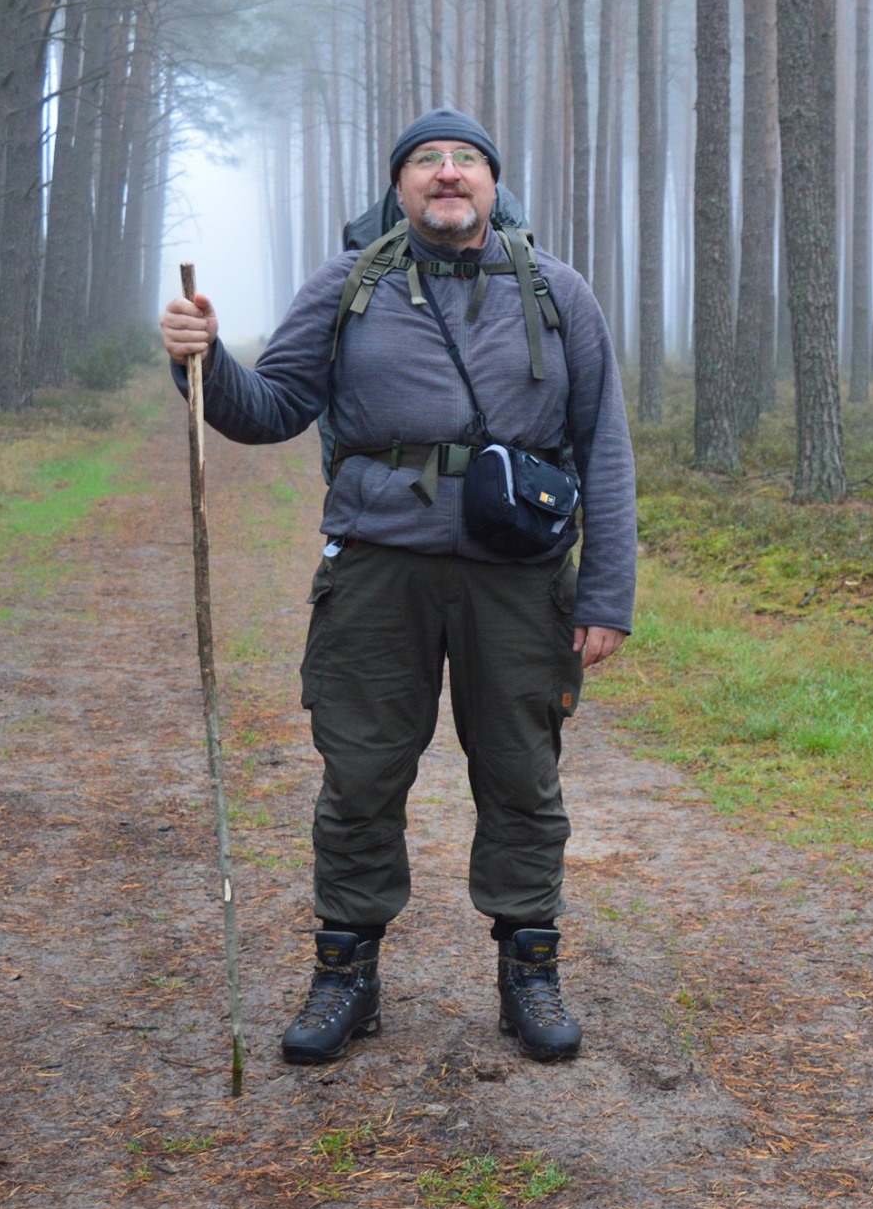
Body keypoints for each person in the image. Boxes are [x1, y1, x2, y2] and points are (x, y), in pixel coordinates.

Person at [159, 108, 636, 1065]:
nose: (448, 174)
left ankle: (529, 969)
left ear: (494, 185)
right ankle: (345, 973)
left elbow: (604, 450)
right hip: (377, 569)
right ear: (400, 186)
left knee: (522, 777)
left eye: (466, 161)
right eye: (428, 161)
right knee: (362, 774)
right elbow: (272, 409)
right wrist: (198, 362)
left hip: (519, 576)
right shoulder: (349, 287)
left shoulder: (558, 292)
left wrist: (604, 597)